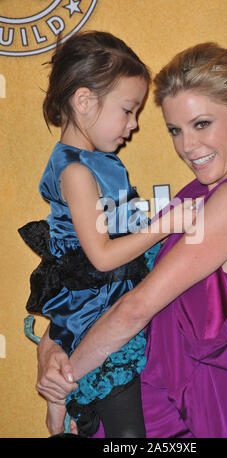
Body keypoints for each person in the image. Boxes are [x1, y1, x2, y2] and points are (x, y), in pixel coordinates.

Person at [36, 42, 227, 438]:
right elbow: (113, 281)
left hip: (177, 421)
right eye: (176, 131)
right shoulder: (204, 193)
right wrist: (50, 345)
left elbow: (135, 309)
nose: (187, 147)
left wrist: (65, 383)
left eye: (202, 124)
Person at [19, 31, 195, 438]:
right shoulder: (76, 171)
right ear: (84, 102)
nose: (133, 126)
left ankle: (63, 407)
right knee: (127, 429)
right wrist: (163, 226)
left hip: (110, 292)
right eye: (128, 110)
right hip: (95, 304)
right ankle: (60, 407)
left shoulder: (102, 162)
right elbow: (101, 256)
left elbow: (120, 225)